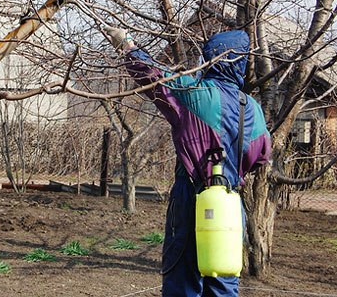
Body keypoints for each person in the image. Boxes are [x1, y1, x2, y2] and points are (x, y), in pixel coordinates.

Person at [106, 28, 272, 297]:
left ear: (210, 59)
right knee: (223, 279)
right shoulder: (252, 107)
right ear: (241, 62)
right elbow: (260, 157)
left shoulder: (195, 91)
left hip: (192, 199)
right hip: (230, 203)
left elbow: (154, 75)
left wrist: (126, 45)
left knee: (182, 279)